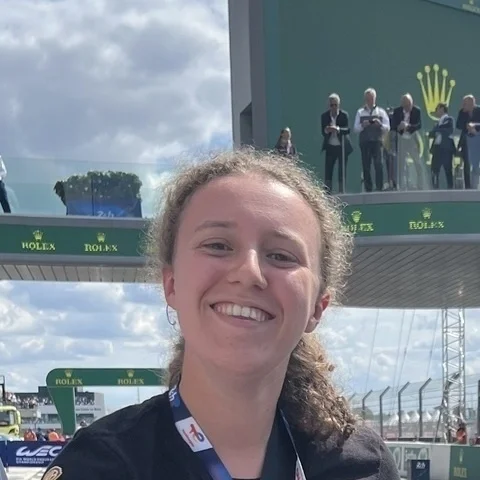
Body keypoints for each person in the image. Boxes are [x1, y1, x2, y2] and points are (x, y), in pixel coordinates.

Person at [41, 150, 399, 480]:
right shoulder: (98, 466)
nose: (249, 272)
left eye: (281, 255)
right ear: (171, 284)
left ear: (318, 307)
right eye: (217, 245)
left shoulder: (361, 465)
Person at [353, 88, 390, 192]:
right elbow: (355, 128)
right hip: (365, 142)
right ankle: (368, 188)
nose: (370, 101)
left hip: (377, 141)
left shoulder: (381, 112)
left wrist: (380, 124)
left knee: (378, 164)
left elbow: (387, 127)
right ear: (365, 99)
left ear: (375, 99)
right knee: (366, 165)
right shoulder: (360, 112)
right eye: (368, 99)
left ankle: (379, 187)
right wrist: (363, 125)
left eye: (371, 98)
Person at [321, 93, 353, 193]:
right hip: (330, 146)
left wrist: (337, 129)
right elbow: (323, 131)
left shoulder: (344, 115)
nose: (334, 107)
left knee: (342, 170)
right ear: (329, 106)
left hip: (342, 147)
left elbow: (347, 129)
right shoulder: (324, 116)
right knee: (328, 169)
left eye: (335, 105)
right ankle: (327, 192)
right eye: (332, 105)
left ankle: (341, 190)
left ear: (339, 105)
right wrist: (327, 130)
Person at [429, 103, 455, 189]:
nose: (436, 111)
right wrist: (437, 130)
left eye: (437, 109)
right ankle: (435, 188)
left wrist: (437, 129)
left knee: (448, 170)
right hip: (437, 149)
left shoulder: (449, 119)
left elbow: (449, 130)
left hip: (446, 149)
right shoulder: (437, 123)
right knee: (434, 170)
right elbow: (431, 134)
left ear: (441, 109)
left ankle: (450, 188)